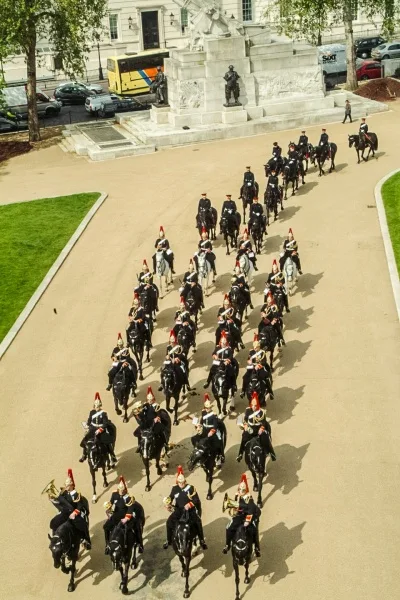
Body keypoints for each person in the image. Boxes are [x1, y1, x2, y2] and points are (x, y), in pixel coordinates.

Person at [163, 466, 207, 549]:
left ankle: (202, 541)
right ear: (177, 482)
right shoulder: (175, 488)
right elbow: (171, 498)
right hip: (178, 510)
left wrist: (189, 505)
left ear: (185, 481)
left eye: (183, 482)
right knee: (168, 523)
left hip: (189, 511)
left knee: (198, 522)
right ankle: (168, 540)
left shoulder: (191, 489)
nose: (181, 484)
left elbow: (196, 500)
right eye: (180, 483)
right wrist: (168, 504)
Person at [49, 469, 91, 549]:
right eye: (65, 485)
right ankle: (55, 538)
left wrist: (75, 513)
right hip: (65, 513)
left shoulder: (77, 495)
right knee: (54, 522)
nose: (66, 487)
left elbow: (79, 505)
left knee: (82, 525)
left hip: (73, 514)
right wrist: (53, 499)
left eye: (67, 485)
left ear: (71, 485)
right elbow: (60, 503)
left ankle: (85, 540)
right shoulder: (63, 493)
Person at [103, 476, 144, 554]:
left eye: (122, 490)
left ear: (125, 490)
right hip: (116, 516)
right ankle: (107, 544)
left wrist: (126, 518)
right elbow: (111, 502)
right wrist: (108, 508)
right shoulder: (114, 494)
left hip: (125, 517)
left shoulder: (128, 498)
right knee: (106, 527)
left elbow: (130, 508)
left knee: (137, 527)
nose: (121, 492)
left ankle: (140, 544)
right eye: (120, 490)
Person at [222, 473, 261, 556]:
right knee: (228, 527)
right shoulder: (238, 495)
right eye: (240, 489)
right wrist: (234, 511)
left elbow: (251, 509)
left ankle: (257, 547)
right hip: (241, 516)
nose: (241, 491)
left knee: (254, 530)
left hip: (250, 516)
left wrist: (247, 520)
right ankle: (227, 545)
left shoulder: (248, 498)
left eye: (243, 490)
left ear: (246, 490)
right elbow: (237, 506)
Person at [236, 392, 276, 463]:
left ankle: (272, 453)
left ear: (257, 405)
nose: (253, 407)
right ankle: (240, 454)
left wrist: (262, 428)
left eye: (255, 406)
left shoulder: (261, 412)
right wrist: (245, 425)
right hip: (250, 429)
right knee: (244, 437)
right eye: (252, 405)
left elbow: (263, 422)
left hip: (258, 430)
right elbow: (245, 419)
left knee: (266, 438)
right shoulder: (248, 410)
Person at [79, 392, 117, 464]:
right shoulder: (92, 412)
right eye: (96, 406)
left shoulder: (103, 413)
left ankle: (112, 456)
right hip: (93, 429)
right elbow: (89, 420)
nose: (97, 408)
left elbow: (105, 424)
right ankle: (84, 454)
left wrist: (100, 429)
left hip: (100, 430)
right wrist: (87, 425)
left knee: (107, 442)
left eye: (98, 406)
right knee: (85, 440)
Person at [240, 334, 274, 399]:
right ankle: (243, 391)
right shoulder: (251, 352)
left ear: (259, 347)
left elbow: (264, 361)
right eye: (254, 347)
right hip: (252, 368)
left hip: (260, 368)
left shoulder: (262, 352)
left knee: (266, 378)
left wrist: (259, 365)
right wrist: (249, 362)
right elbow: (248, 359)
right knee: (245, 377)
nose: (255, 349)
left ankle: (270, 392)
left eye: (256, 347)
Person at [191, 394, 225, 459]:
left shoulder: (214, 415)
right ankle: (197, 449)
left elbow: (215, 426)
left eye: (208, 408)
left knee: (219, 442)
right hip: (204, 430)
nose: (207, 409)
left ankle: (221, 455)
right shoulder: (203, 412)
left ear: (210, 407)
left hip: (211, 431)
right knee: (193, 438)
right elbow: (202, 421)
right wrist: (198, 425)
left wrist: (212, 432)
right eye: (206, 408)